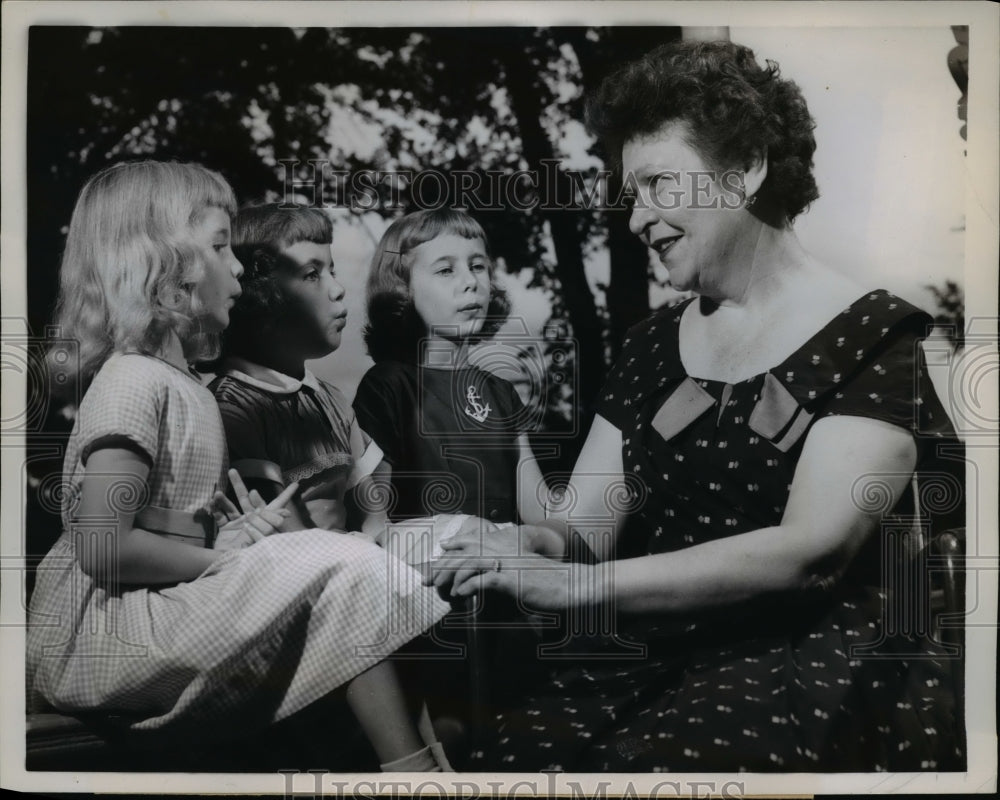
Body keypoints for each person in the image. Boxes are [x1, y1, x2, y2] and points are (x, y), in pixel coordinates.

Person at [431, 40, 965, 772]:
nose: (635, 219)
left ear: (743, 170)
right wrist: (518, 544)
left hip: (818, 671)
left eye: (657, 185)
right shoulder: (651, 346)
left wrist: (578, 586)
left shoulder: (875, 337)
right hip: (658, 654)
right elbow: (583, 530)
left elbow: (808, 556)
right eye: (631, 193)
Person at [26, 161, 453, 772]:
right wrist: (224, 559)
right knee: (345, 563)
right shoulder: (132, 379)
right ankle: (414, 771)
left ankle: (420, 760)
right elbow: (102, 544)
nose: (236, 269)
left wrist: (232, 537)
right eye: (221, 247)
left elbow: (168, 527)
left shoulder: (189, 387)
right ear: (163, 266)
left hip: (156, 604)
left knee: (358, 562)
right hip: (104, 636)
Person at [353, 208, 547, 529]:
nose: (470, 282)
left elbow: (540, 511)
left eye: (478, 266)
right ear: (401, 288)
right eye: (446, 270)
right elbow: (373, 523)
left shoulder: (502, 393)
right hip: (423, 568)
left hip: (504, 565)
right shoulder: (388, 386)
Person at [209, 203, 388, 540]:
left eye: (332, 271)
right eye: (312, 274)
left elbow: (373, 510)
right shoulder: (234, 408)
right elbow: (282, 528)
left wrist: (377, 538)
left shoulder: (332, 400)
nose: (337, 289)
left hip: (354, 556)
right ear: (257, 298)